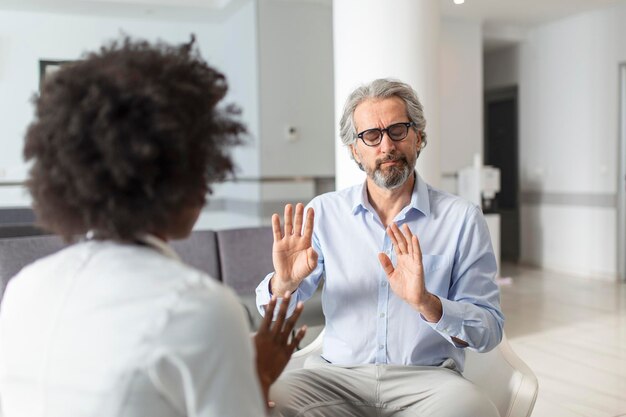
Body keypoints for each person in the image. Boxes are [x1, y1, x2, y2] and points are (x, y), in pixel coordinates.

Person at [0, 36, 306, 417]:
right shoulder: (200, 309)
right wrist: (257, 376)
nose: (207, 184)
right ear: (178, 176)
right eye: (200, 165)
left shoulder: (24, 287)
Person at [255, 78, 504, 417]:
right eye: (371, 135)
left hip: (428, 382)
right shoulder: (325, 213)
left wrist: (427, 303)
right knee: (263, 401)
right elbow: (274, 316)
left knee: (476, 411)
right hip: (335, 378)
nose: (386, 145)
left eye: (398, 130)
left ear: (418, 136)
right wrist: (284, 284)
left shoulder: (462, 219)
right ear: (355, 150)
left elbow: (488, 330)